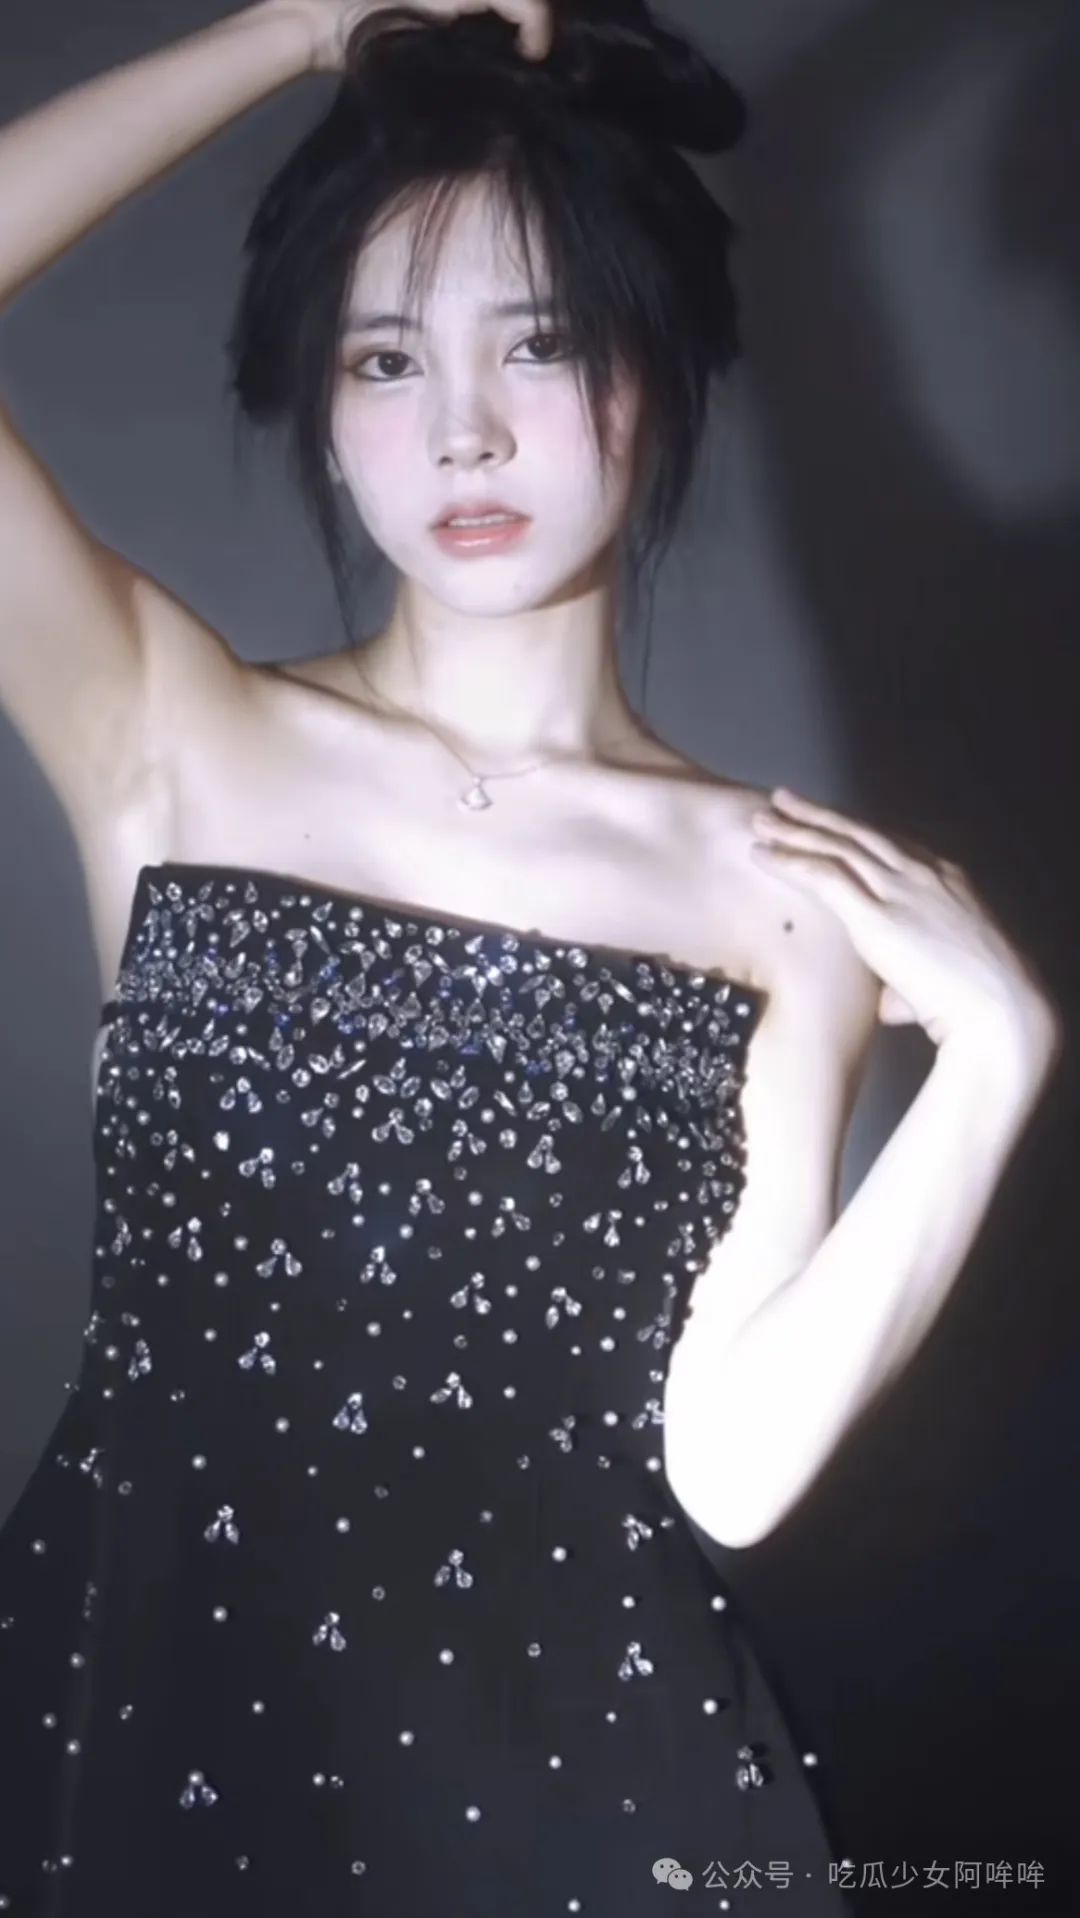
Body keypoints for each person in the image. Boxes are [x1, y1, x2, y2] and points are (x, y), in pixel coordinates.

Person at [0, 1, 1061, 1912]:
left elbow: (728, 1468)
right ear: (322, 405)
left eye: (543, 341)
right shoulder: (168, 731)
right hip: (142, 1731)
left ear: (655, 363)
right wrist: (304, 29)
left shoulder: (781, 889)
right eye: (387, 356)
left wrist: (992, 1066)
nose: (464, 429)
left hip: (583, 1805)